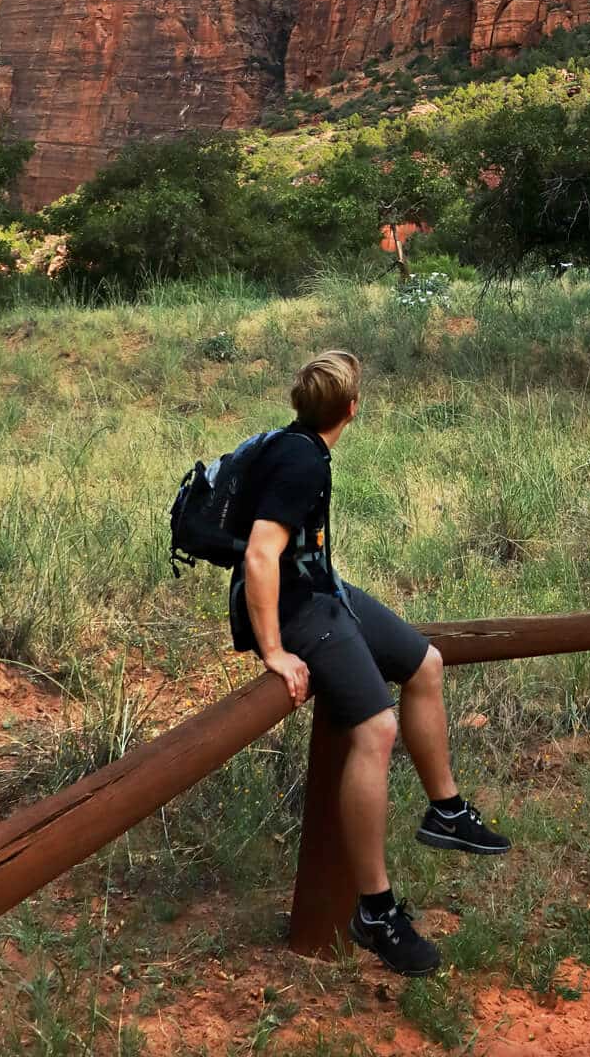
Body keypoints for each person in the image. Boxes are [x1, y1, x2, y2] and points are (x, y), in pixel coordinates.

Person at [230, 350, 509, 975]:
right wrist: (274, 649)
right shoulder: (302, 459)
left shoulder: (295, 442)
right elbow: (259, 555)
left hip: (321, 589)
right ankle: (375, 910)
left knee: (425, 663)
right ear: (351, 409)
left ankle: (447, 810)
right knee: (376, 730)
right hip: (296, 607)